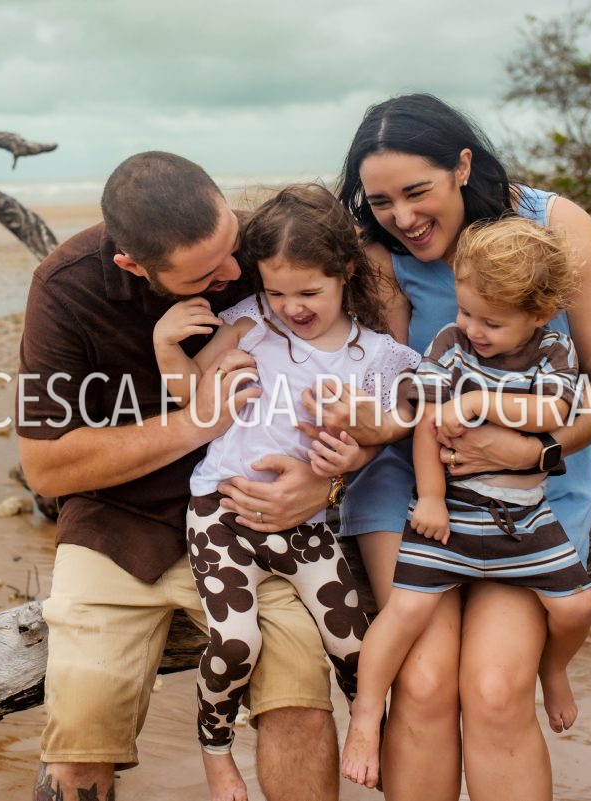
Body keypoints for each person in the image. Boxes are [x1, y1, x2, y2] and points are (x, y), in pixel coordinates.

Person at [321, 93, 591, 800]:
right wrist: (369, 428)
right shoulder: (377, 251)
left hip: (530, 490)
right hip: (413, 480)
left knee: (494, 689)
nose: (402, 217)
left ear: (462, 165)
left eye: (417, 192)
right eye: (380, 202)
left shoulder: (556, 226)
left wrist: (534, 453)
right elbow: (394, 389)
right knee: (425, 681)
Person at [16, 153, 345, 801]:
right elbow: (46, 465)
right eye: (205, 274)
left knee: (302, 708)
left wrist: (327, 483)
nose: (234, 273)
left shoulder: (263, 243)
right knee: (80, 744)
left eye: (230, 247)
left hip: (253, 514)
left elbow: (369, 359)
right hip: (116, 527)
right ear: (133, 265)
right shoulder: (64, 288)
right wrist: (195, 422)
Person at [153, 184, 420, 801]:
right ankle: (216, 750)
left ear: (345, 272)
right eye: (277, 291)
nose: (291, 308)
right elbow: (191, 396)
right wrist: (167, 347)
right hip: (220, 513)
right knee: (236, 642)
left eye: (308, 293)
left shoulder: (376, 355)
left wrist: (359, 448)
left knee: (356, 644)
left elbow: (410, 415)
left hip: (305, 527)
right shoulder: (250, 322)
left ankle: (373, 735)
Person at [341, 216, 591, 788]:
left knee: (577, 608)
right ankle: (364, 717)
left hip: (524, 520)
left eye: (491, 322)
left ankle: (555, 671)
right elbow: (426, 425)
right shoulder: (449, 345)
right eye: (464, 312)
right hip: (451, 516)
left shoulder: (554, 349)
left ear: (539, 314)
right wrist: (431, 498)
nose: (472, 329)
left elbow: (553, 412)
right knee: (406, 619)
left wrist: (479, 402)